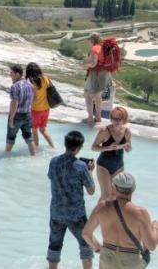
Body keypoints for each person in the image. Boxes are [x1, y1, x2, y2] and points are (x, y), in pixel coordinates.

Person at [82, 172, 158, 269]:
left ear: (114, 188)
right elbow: (151, 245)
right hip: (130, 261)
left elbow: (86, 234)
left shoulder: (102, 207)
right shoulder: (141, 213)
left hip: (107, 260)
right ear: (133, 189)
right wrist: (155, 227)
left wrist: (98, 249)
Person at [46, 131, 95, 269]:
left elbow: (50, 177)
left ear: (65, 144)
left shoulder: (54, 161)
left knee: (55, 244)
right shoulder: (81, 166)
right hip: (76, 214)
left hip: (56, 212)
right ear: (79, 147)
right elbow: (91, 191)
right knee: (85, 244)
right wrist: (90, 171)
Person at [92, 106, 132, 202]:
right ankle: (96, 216)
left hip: (118, 166)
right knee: (106, 195)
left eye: (118, 119)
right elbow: (94, 147)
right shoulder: (104, 131)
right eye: (113, 118)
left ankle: (110, 216)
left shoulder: (127, 132)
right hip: (103, 165)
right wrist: (108, 148)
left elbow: (129, 149)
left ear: (124, 119)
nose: (115, 121)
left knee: (115, 196)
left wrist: (127, 147)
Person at [5, 65, 36, 156]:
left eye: (12, 73)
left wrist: (11, 118)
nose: (10, 75)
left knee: (11, 137)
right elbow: (33, 98)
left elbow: (15, 103)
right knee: (29, 137)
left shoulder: (15, 86)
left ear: (17, 74)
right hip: (27, 114)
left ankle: (5, 157)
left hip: (17, 115)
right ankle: (33, 157)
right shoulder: (30, 84)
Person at [26, 62, 55, 148]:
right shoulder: (46, 78)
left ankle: (36, 147)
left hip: (36, 110)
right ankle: (53, 146)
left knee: (34, 130)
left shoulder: (32, 82)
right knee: (43, 129)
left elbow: (33, 98)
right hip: (46, 108)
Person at [83, 33, 111, 123]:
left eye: (89, 41)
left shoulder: (95, 48)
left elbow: (94, 63)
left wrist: (84, 65)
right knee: (98, 96)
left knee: (88, 95)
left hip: (95, 75)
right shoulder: (102, 47)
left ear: (92, 40)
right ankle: (98, 117)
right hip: (104, 74)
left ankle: (90, 117)